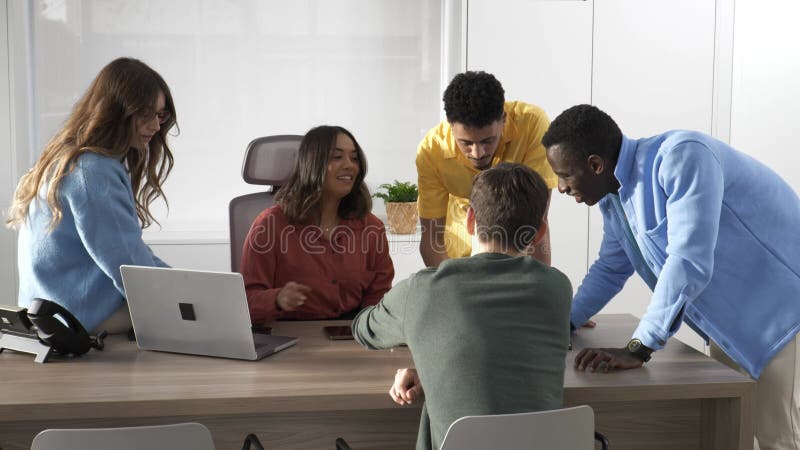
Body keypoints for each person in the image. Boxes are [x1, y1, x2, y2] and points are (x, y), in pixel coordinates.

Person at [542, 104, 800, 450]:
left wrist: (639, 346)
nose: (559, 187)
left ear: (595, 165)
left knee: (776, 438)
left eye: (564, 175)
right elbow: (610, 268)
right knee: (726, 430)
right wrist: (565, 320)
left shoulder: (682, 157)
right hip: (728, 326)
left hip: (779, 315)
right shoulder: (614, 199)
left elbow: (688, 261)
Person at [352, 163, 572, 450]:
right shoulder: (557, 288)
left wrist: (428, 353)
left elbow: (363, 328)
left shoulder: (424, 289)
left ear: (470, 220)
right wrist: (434, 360)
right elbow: (504, 350)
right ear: (540, 231)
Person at [6, 57, 177, 334]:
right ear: (117, 111)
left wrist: (185, 285)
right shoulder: (93, 172)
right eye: (147, 114)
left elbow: (131, 251)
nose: (157, 126)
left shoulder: (66, 159)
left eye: (160, 115)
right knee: (189, 322)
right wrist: (191, 298)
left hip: (47, 316)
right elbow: (131, 268)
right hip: (76, 320)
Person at [240, 125, 394, 324]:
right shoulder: (269, 225)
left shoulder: (371, 227)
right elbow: (246, 301)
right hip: (289, 334)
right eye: (336, 157)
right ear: (313, 163)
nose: (349, 166)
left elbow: (379, 292)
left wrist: (367, 330)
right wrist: (277, 299)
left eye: (354, 158)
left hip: (351, 332)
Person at [416, 71, 557, 267]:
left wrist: (536, 288)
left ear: (503, 119)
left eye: (488, 141)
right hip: (458, 256)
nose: (477, 153)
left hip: (515, 251)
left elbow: (536, 222)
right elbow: (432, 240)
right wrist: (450, 289)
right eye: (466, 143)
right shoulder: (432, 150)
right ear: (450, 124)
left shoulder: (532, 124)